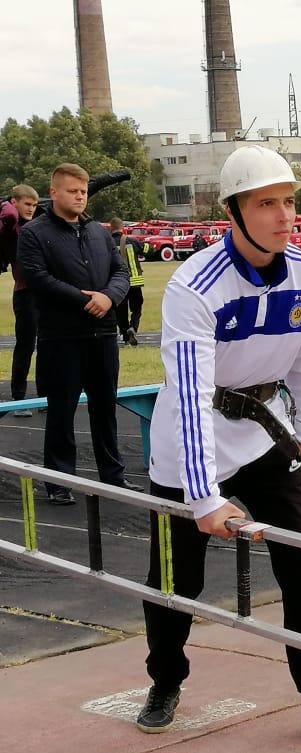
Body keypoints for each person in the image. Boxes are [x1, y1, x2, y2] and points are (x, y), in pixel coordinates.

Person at [135, 145, 301, 747]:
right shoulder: (195, 286)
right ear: (234, 211)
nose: (284, 215)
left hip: (265, 432)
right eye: (267, 203)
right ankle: (165, 679)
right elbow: (189, 392)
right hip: (193, 442)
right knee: (173, 577)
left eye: (289, 202)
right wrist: (204, 496)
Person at [18, 164, 140, 504]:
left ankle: (113, 476)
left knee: (105, 410)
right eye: (73, 190)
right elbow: (39, 278)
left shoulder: (98, 232)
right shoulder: (35, 233)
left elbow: (121, 272)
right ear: (54, 192)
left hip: (102, 337)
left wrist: (109, 297)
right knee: (62, 411)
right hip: (62, 338)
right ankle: (58, 482)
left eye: (83, 190)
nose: (80, 196)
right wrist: (86, 300)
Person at [0, 184, 39, 413]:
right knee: (25, 345)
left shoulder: (34, 226)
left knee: (46, 344)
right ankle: (18, 398)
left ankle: (45, 396)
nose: (32, 209)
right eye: (27, 204)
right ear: (14, 202)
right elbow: (8, 214)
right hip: (24, 293)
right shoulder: (9, 226)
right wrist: (7, 203)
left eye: (34, 205)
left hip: (45, 292)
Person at [109, 217, 145, 346]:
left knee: (120, 310)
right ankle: (133, 327)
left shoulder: (107, 243)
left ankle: (125, 335)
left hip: (117, 283)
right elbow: (147, 249)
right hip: (134, 281)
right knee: (137, 306)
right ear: (122, 227)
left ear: (110, 228)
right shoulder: (130, 240)